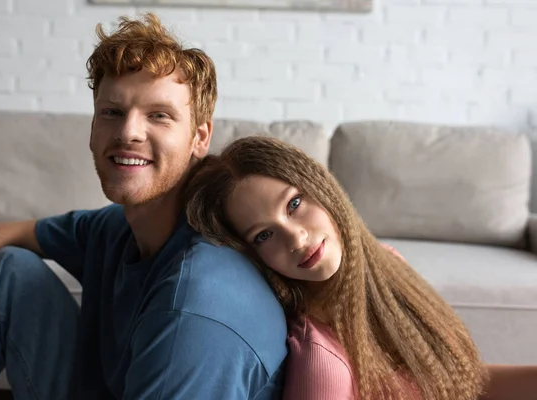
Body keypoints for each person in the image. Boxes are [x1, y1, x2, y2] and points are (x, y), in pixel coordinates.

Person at [0, 14, 287, 400]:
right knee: (9, 271)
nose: (128, 132)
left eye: (159, 115)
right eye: (112, 112)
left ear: (199, 138)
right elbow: (2, 233)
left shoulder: (195, 305)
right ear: (92, 126)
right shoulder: (118, 229)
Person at [185, 135, 537, 400]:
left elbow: (463, 383)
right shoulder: (322, 362)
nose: (296, 237)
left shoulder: (388, 263)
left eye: (294, 203)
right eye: (263, 235)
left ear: (321, 187)